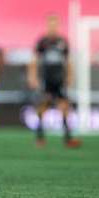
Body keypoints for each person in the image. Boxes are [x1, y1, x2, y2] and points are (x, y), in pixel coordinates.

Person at [27, 15, 81, 148]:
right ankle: (40, 137)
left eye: (55, 24)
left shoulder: (62, 42)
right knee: (42, 107)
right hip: (46, 79)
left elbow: (68, 62)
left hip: (59, 79)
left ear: (57, 26)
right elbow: (34, 61)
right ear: (47, 25)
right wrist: (32, 77)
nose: (53, 27)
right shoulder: (42, 42)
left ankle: (67, 138)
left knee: (64, 107)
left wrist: (69, 76)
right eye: (50, 24)